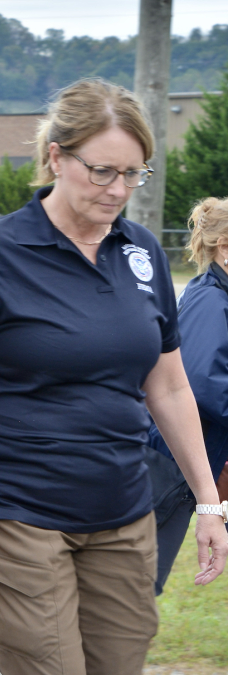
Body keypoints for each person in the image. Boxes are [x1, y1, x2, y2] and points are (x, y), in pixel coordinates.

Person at [0, 78, 228, 675]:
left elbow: (167, 386)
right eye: (102, 171)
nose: (119, 190)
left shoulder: (140, 253)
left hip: (123, 513)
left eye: (134, 174)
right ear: (56, 157)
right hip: (18, 513)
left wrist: (208, 505)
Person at [148, 196, 228, 594]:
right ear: (224, 247)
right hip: (166, 467)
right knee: (135, 591)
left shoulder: (217, 296)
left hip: (182, 468)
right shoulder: (212, 301)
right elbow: (201, 383)